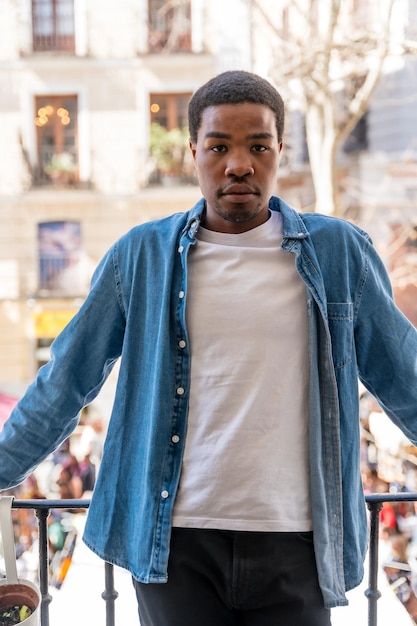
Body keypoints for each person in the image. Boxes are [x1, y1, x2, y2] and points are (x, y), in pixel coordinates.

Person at [0, 70, 417, 625]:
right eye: (219, 146)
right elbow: (66, 379)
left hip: (299, 542)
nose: (238, 164)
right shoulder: (141, 256)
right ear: (194, 152)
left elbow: (404, 374)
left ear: (279, 152)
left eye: (257, 146)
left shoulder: (338, 253)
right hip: (173, 544)